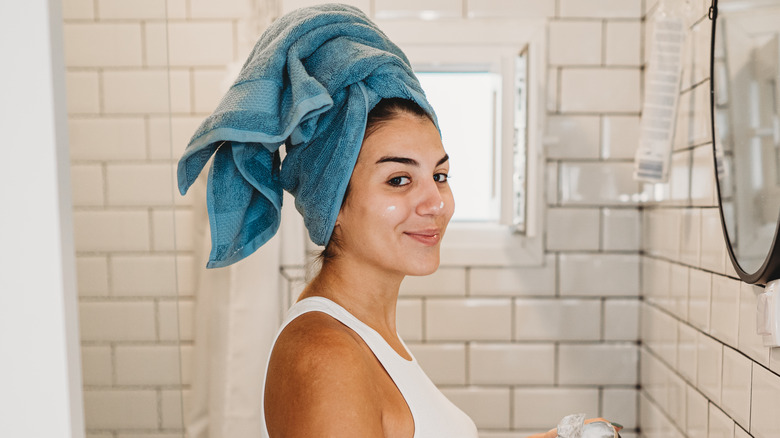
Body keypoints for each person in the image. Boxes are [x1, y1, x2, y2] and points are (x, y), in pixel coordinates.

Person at [176, 4, 622, 438]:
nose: (436, 202)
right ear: (332, 203)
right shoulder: (327, 357)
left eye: (440, 175)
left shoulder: (365, 333)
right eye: (399, 179)